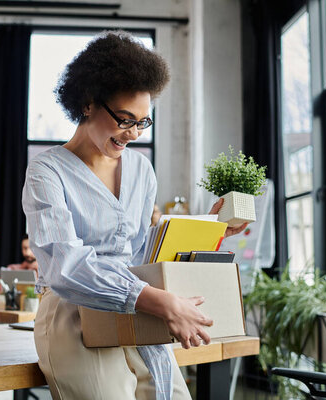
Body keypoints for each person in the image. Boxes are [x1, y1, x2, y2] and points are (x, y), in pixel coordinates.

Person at [22, 31, 247, 400]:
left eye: (143, 123)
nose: (133, 134)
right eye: (125, 119)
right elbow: (65, 267)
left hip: (139, 306)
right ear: (88, 103)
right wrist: (158, 301)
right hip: (72, 312)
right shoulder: (47, 172)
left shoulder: (142, 172)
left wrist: (211, 230)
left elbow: (145, 255)